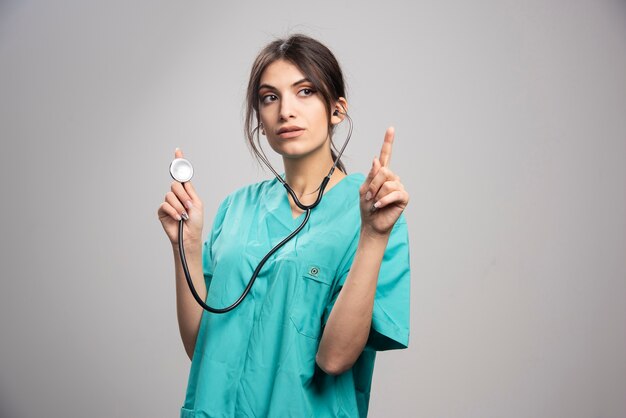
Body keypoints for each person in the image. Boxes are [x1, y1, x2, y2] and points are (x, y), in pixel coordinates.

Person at [157, 34, 411, 418]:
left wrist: (373, 237)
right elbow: (203, 349)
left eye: (305, 91)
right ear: (260, 117)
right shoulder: (235, 208)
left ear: (337, 110)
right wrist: (186, 246)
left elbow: (335, 359)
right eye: (269, 97)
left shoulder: (373, 213)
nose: (285, 111)